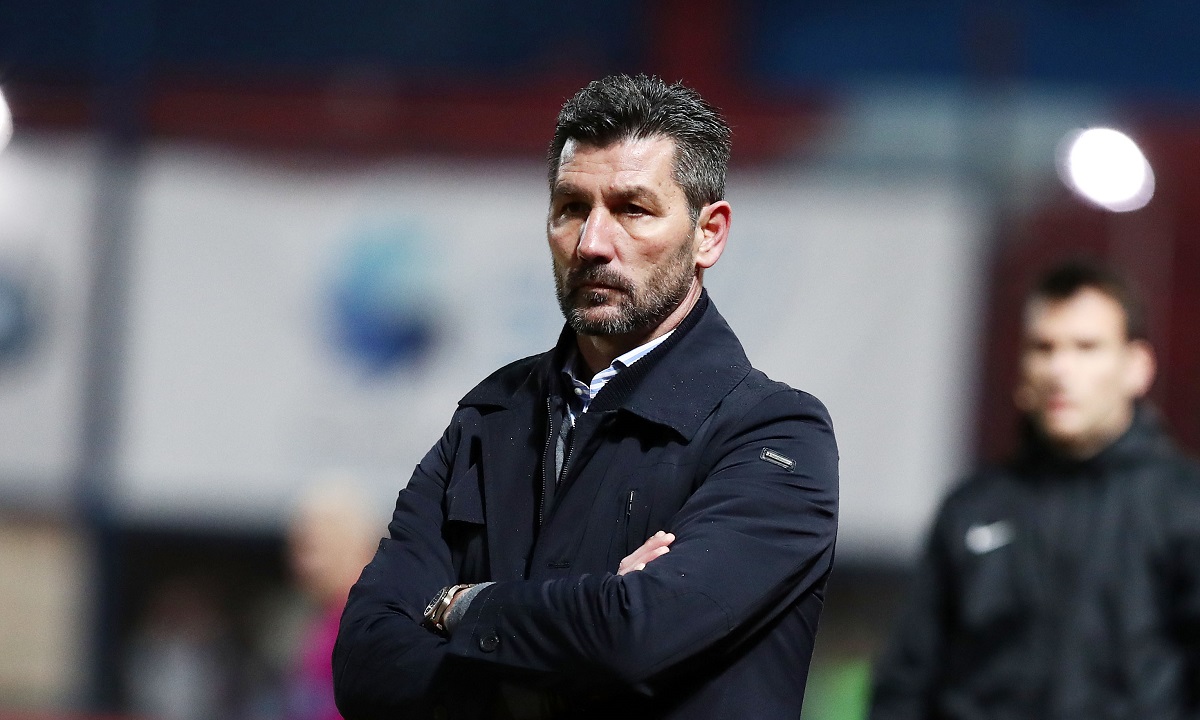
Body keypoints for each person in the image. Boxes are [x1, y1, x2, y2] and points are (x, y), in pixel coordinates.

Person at [333, 74, 839, 720]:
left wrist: (458, 605)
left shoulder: (777, 436)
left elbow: (634, 636)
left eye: (633, 210)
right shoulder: (489, 418)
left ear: (709, 234)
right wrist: (582, 627)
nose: (592, 243)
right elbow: (364, 662)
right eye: (572, 207)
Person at [869, 260, 1200, 719]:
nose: (1060, 369)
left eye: (1086, 347)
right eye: (1044, 348)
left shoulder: (1184, 506)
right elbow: (905, 683)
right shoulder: (973, 508)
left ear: (1137, 367)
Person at [285, 476, 379, 720]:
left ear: (360, 545)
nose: (303, 563)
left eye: (314, 547)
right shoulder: (324, 623)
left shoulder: (372, 625)